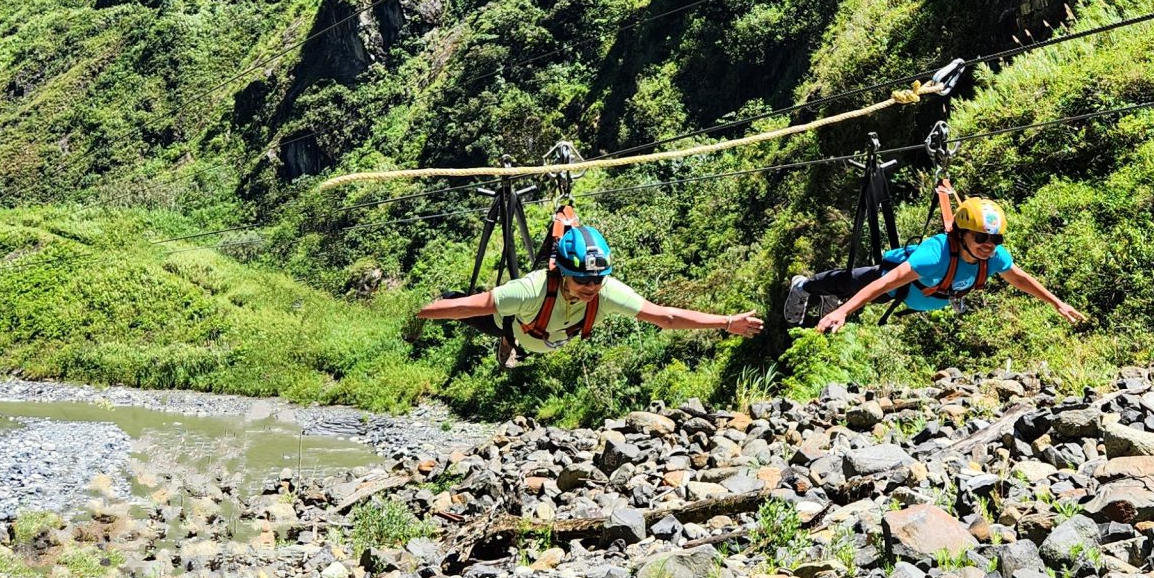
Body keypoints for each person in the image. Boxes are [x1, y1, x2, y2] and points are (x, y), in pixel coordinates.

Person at [417, 222, 761, 367]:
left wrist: (727, 322)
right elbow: (463, 307)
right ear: (564, 271)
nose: (592, 288)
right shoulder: (530, 289)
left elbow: (664, 318)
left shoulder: (605, 291)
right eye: (583, 280)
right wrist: (419, 314)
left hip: (544, 334)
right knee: (463, 301)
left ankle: (562, 222)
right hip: (514, 323)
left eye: (597, 280)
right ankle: (507, 340)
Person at [783, 195, 1084, 334]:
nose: (988, 244)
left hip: (921, 297)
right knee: (846, 283)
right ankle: (803, 286)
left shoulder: (992, 257)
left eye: (996, 238)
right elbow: (884, 284)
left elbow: (1019, 278)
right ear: (962, 233)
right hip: (898, 288)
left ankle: (833, 300)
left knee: (848, 294)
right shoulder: (934, 254)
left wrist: (1056, 303)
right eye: (981, 237)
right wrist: (843, 311)